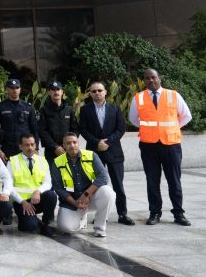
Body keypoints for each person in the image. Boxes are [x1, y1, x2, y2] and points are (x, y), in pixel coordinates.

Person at [129, 68, 192, 226]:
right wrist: (151, 130)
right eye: (147, 78)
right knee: (152, 180)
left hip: (171, 144)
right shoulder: (139, 97)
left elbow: (186, 116)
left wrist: (172, 129)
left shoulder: (173, 95)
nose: (151, 80)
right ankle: (154, 213)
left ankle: (178, 213)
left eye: (153, 77)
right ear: (144, 80)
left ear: (159, 78)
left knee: (174, 180)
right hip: (149, 145)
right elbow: (133, 119)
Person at [79, 81, 133, 226]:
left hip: (114, 152)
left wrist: (107, 142)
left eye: (100, 90)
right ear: (90, 93)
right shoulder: (85, 110)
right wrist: (97, 143)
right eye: (94, 91)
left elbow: (121, 129)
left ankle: (122, 214)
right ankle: (100, 216)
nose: (97, 93)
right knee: (95, 185)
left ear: (105, 92)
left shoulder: (114, 109)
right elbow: (83, 130)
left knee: (118, 185)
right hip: (94, 152)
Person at [52, 132, 116, 237]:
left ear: (78, 143)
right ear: (63, 146)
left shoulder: (91, 155)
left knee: (108, 192)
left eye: (74, 142)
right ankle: (82, 217)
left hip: (90, 198)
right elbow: (58, 188)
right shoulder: (57, 162)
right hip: (71, 202)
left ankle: (100, 228)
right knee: (66, 228)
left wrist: (86, 194)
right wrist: (75, 203)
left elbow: (103, 177)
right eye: (68, 143)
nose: (72, 145)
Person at [6, 133, 56, 236]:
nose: (30, 148)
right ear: (20, 146)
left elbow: (48, 182)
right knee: (29, 227)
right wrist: (23, 201)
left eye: (32, 144)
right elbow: (8, 186)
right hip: (21, 202)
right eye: (27, 145)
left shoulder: (42, 160)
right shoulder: (12, 161)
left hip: (37, 199)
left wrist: (38, 191)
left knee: (51, 195)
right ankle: (32, 221)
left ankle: (46, 224)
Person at [0, 78, 38, 162]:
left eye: (17, 88)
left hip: (26, 147)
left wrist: (36, 147)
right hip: (7, 147)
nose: (15, 90)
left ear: (20, 89)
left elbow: (34, 129)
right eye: (12, 88)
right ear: (7, 89)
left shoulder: (28, 107)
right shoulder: (0, 107)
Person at [38, 81, 78, 164]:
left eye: (58, 89)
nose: (56, 92)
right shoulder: (44, 110)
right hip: (51, 151)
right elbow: (42, 131)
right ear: (49, 92)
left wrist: (69, 143)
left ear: (62, 92)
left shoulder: (69, 110)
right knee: (53, 176)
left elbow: (75, 129)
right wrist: (55, 147)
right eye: (53, 90)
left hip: (69, 150)